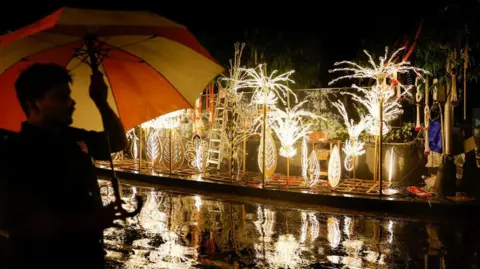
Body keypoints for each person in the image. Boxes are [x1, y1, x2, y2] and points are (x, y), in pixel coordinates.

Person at [0, 63, 128, 269]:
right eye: (61, 97)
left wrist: (101, 102)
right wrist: (91, 221)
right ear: (35, 103)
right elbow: (21, 224)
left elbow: (117, 142)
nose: (72, 102)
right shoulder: (16, 153)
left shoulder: (71, 137)